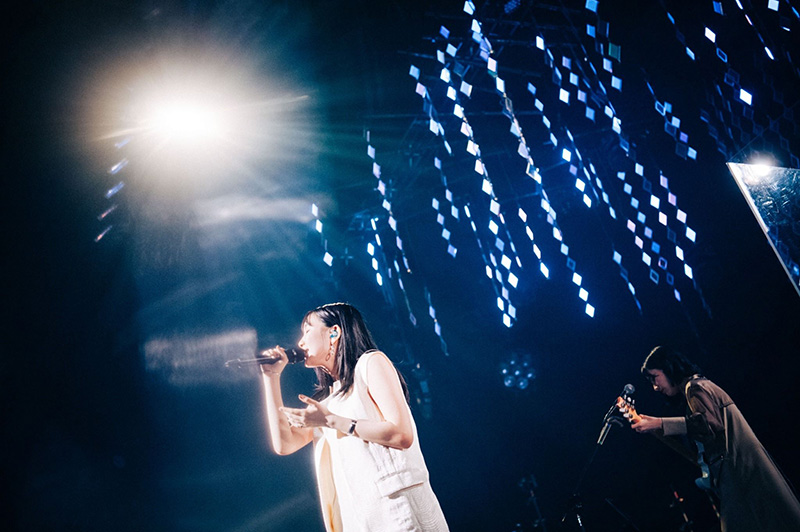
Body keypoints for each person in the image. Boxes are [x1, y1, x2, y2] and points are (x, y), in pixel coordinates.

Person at [259, 302, 449, 532]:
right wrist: (271, 377)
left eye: (307, 330)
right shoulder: (329, 401)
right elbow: (284, 444)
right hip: (358, 520)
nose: (300, 342)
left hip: (398, 513)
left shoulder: (371, 363)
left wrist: (331, 421)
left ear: (334, 332)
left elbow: (401, 434)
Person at [631, 345, 800, 532]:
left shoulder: (695, 388)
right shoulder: (698, 386)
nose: (655, 387)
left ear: (668, 368)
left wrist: (659, 423)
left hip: (740, 473)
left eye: (655, 377)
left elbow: (707, 424)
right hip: (742, 471)